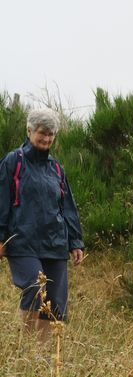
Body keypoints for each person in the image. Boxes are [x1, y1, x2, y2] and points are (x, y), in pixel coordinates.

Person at [0, 108, 84, 343]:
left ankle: (43, 355)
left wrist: (75, 241)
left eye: (51, 134)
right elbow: (2, 200)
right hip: (22, 240)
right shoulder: (13, 162)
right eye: (41, 133)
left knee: (55, 302)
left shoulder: (56, 169)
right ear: (29, 131)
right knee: (36, 287)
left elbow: (67, 206)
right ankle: (27, 347)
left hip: (55, 243)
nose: (46, 139)